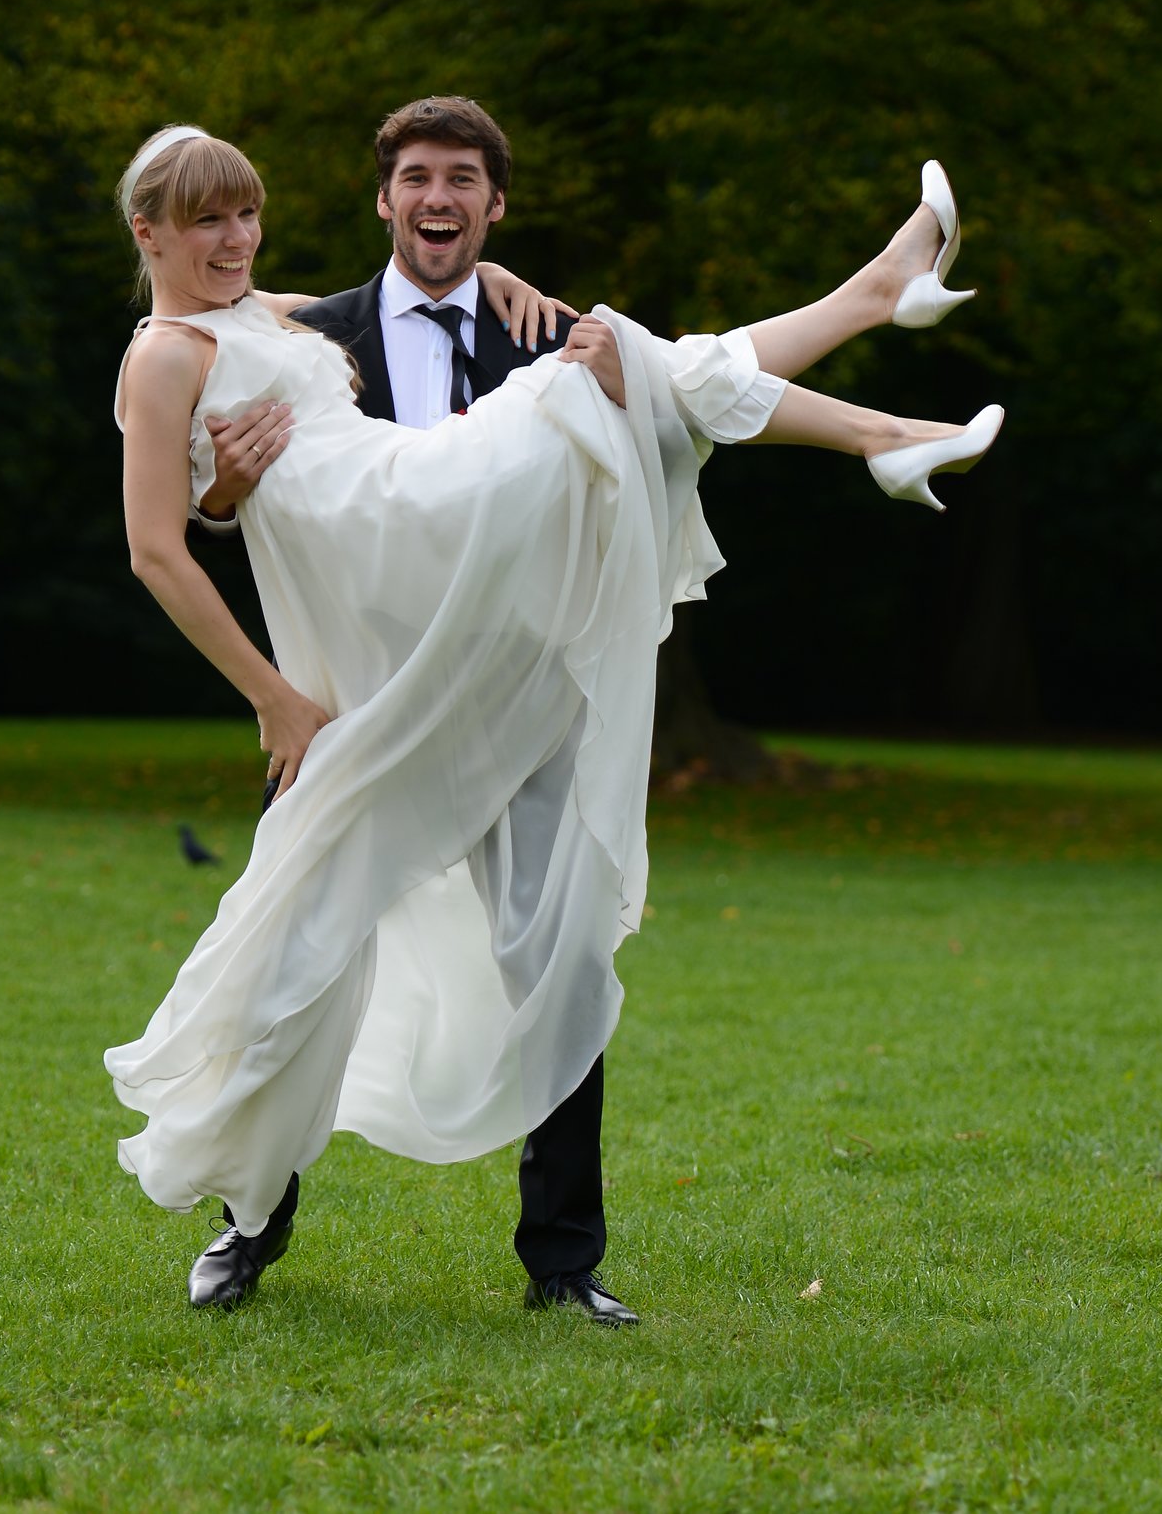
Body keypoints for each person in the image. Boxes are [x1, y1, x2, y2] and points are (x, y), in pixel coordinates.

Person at [105, 113, 1002, 1325]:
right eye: (205, 219)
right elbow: (163, 543)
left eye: (245, 213)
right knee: (290, 958)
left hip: (485, 619)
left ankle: (562, 1262)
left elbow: (292, 382)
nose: (233, 237)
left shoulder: (273, 311)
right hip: (377, 624)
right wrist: (271, 683)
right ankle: (249, 1224)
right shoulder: (172, 354)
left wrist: (501, 283)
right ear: (146, 232)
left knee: (619, 370)